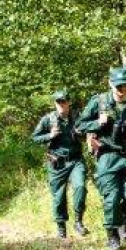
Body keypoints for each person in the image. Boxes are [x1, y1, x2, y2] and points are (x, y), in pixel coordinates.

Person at [77, 67, 126, 250]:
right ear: (110, 84)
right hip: (107, 155)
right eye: (117, 86)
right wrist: (97, 123)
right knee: (112, 197)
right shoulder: (99, 102)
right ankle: (112, 235)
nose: (120, 89)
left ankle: (122, 221)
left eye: (124, 85)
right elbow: (79, 125)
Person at [30, 90, 88, 239]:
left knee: (80, 187)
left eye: (64, 101)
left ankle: (78, 222)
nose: (61, 104)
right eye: (58, 102)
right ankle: (61, 227)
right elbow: (35, 137)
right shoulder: (48, 119)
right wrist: (50, 135)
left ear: (69, 102)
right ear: (55, 104)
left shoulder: (76, 117)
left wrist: (80, 133)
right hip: (57, 163)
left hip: (76, 160)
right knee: (59, 196)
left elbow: (87, 132)